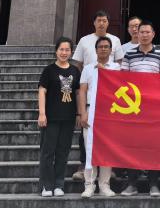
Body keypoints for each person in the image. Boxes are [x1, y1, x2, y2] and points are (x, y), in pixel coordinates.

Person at [71, 10, 124, 180]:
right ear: (94, 23)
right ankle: (83, 165)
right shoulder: (84, 40)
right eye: (99, 20)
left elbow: (119, 64)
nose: (101, 23)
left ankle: (108, 169)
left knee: (109, 135)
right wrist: (89, 76)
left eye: (104, 20)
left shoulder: (115, 40)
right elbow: (78, 64)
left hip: (109, 98)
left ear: (108, 23)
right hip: (89, 92)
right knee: (85, 134)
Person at [120, 20, 160, 196]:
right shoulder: (129, 54)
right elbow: (123, 80)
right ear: (137, 34)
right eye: (142, 32)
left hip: (153, 108)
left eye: (148, 32)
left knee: (153, 145)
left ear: (153, 34)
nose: (144, 35)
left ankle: (153, 184)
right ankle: (131, 184)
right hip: (133, 108)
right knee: (133, 145)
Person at [37, 36, 83, 197]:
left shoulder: (75, 71)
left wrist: (79, 113)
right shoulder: (49, 70)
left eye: (67, 50)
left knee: (63, 152)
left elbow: (78, 93)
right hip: (51, 118)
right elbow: (42, 91)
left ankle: (58, 184)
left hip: (68, 118)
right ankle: (46, 185)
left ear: (71, 52)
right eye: (61, 49)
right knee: (48, 152)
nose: (64, 52)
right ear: (56, 51)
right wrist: (42, 113)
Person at [78, 35, 120, 198]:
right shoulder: (88, 68)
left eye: (106, 47)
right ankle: (89, 185)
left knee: (107, 149)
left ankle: (104, 185)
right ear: (95, 50)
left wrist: (106, 72)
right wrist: (82, 113)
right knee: (90, 148)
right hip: (90, 111)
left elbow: (120, 89)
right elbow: (82, 91)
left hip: (110, 113)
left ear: (111, 50)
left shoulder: (117, 68)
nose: (103, 49)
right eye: (100, 47)